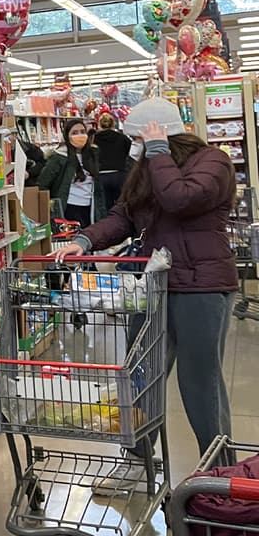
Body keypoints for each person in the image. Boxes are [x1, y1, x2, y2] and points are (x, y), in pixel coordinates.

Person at [51, 97, 236, 492]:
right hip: (153, 283)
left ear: (159, 133)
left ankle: (221, 475)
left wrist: (156, 152)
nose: (132, 145)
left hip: (202, 286)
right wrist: (85, 240)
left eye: (137, 137)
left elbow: (180, 199)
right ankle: (136, 463)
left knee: (200, 382)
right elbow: (124, 215)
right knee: (140, 374)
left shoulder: (213, 161)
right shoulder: (148, 166)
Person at [37, 118, 106, 228]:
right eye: (74, 133)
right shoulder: (59, 157)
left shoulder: (92, 155)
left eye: (82, 132)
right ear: (67, 136)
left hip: (90, 207)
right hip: (68, 207)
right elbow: (43, 183)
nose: (80, 135)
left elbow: (98, 187)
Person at [93, 112, 132, 208]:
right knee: (121, 206)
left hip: (101, 176)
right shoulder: (122, 138)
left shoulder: (94, 138)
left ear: (99, 124)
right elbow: (130, 153)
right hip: (119, 176)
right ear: (113, 123)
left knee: (104, 207)